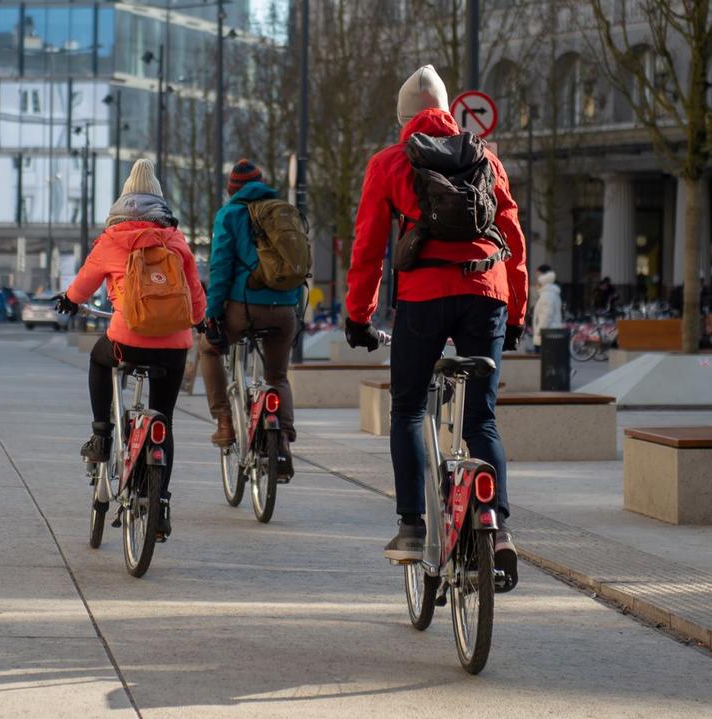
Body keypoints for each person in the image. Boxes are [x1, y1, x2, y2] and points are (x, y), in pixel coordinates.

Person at [344, 65, 526, 585]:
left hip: (424, 299)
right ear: (448, 112)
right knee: (482, 420)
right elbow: (512, 237)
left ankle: (411, 527)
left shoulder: (389, 163)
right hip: (485, 292)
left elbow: (367, 248)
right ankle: (500, 528)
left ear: (402, 119)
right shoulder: (487, 160)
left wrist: (359, 317)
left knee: (406, 407)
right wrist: (514, 314)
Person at [54, 159, 205, 532]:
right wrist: (201, 321)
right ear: (159, 200)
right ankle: (161, 505)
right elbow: (194, 291)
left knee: (98, 359)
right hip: (174, 346)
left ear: (123, 199)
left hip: (127, 341)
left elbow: (84, 284)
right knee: (164, 422)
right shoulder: (175, 240)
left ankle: (102, 434)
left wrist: (70, 300)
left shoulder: (111, 240)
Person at [198, 159, 303, 477]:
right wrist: (293, 304)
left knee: (208, 349)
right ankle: (282, 440)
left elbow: (221, 267)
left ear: (233, 190)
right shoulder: (285, 210)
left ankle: (225, 421)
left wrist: (212, 313)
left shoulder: (229, 214)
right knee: (277, 376)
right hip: (285, 309)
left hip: (243, 308)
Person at [531, 265, 562, 347]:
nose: (536, 278)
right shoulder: (548, 293)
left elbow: (546, 316)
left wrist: (538, 331)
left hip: (546, 335)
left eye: (538, 275)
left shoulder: (548, 295)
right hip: (548, 333)